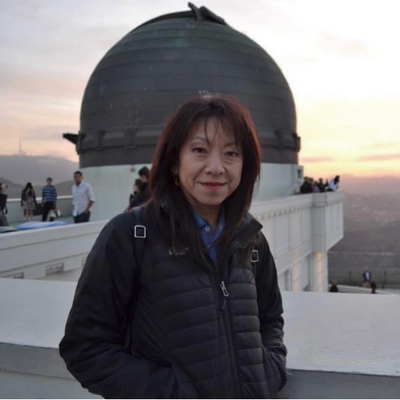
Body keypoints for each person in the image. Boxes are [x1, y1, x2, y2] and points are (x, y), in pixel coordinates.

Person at [59, 95, 287, 398]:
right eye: (199, 150)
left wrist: (268, 371)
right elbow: (85, 348)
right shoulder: (131, 235)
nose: (216, 167)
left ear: (246, 165)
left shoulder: (250, 240)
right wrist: (173, 393)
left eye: (231, 153)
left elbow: (270, 318)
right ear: (174, 162)